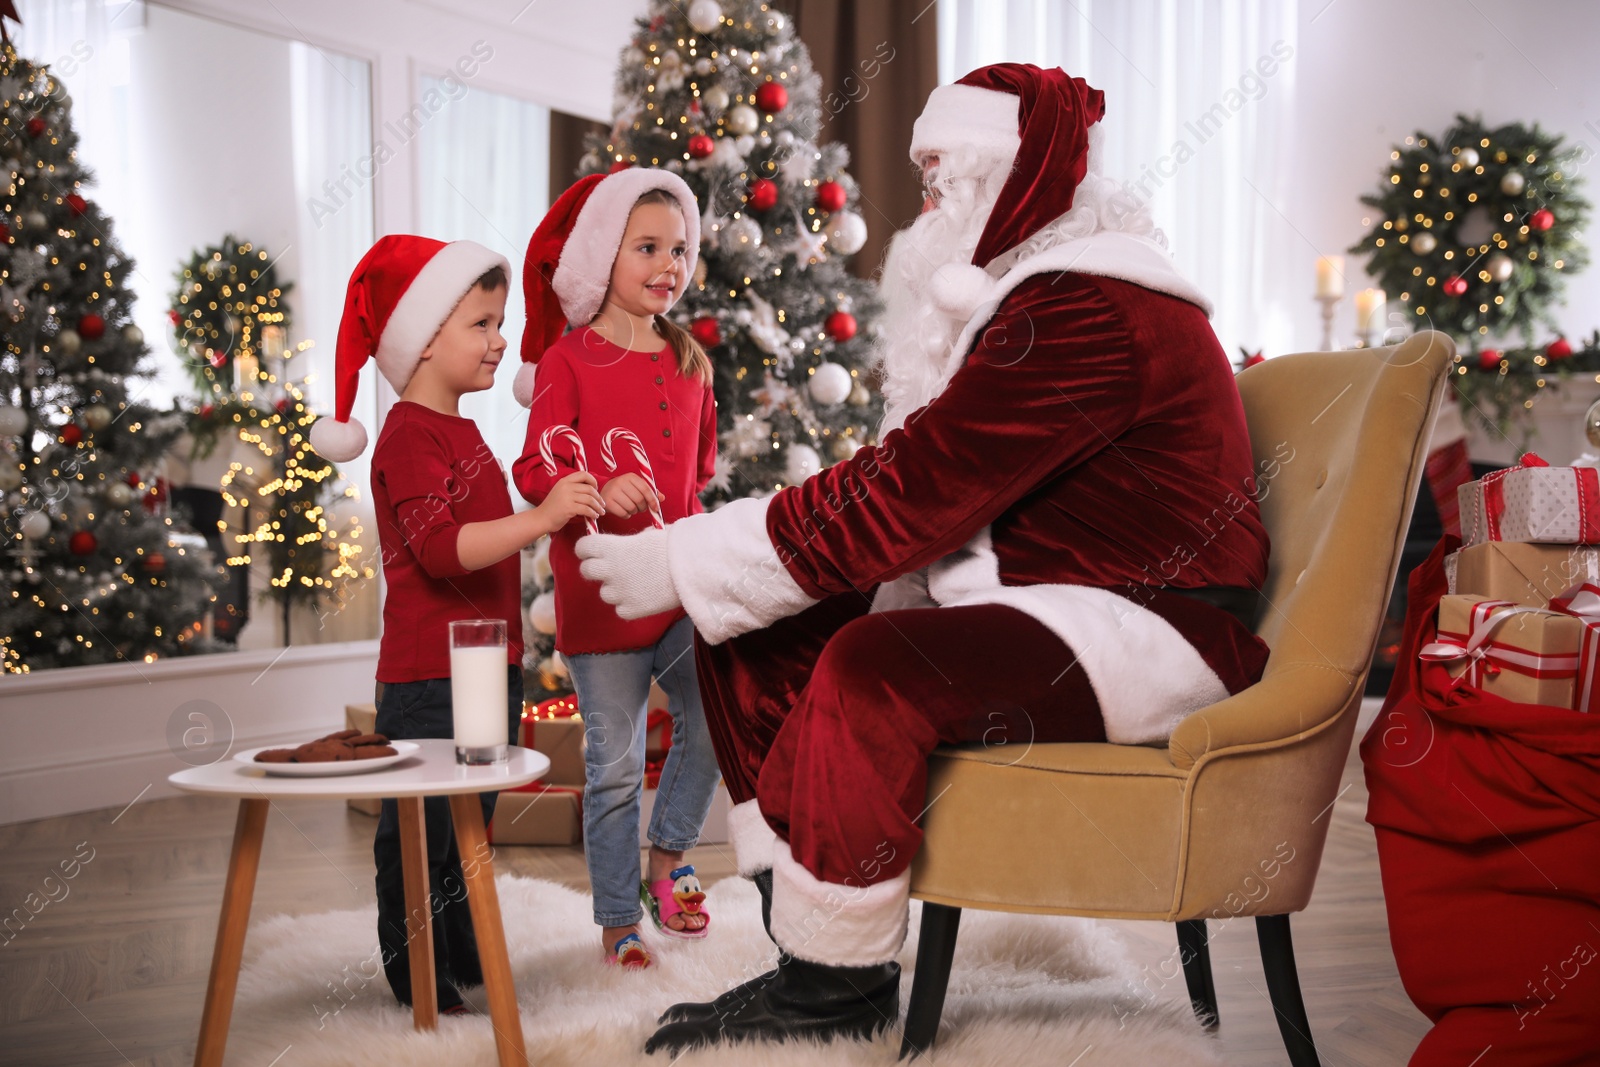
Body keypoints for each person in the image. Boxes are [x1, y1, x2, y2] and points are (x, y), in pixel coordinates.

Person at [574, 63, 1274, 1052]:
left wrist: (681, 555)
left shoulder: (1088, 308)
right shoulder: (1036, 302)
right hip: (1048, 600)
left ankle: (834, 994)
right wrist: (710, 574)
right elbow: (916, 480)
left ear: (1016, 180)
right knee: (752, 631)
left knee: (873, 670)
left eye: (948, 179)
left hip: (1147, 623)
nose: (930, 205)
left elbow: (913, 491)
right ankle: (813, 949)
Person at [309, 234, 603, 1014]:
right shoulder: (409, 435)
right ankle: (415, 972)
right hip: (427, 673)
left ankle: (461, 947)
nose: (501, 339)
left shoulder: (468, 433)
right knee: (420, 830)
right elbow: (442, 551)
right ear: (425, 337)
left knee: (471, 821)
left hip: (485, 662)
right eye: (481, 323)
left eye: (501, 321)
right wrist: (538, 517)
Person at [511, 168, 723, 970]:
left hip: (675, 587)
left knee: (717, 712)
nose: (668, 264)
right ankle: (616, 922)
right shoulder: (568, 361)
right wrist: (596, 487)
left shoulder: (691, 364)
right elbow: (534, 469)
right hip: (600, 598)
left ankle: (669, 859)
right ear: (604, 255)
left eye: (678, 249)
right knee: (613, 767)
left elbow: (696, 481)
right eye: (647, 247)